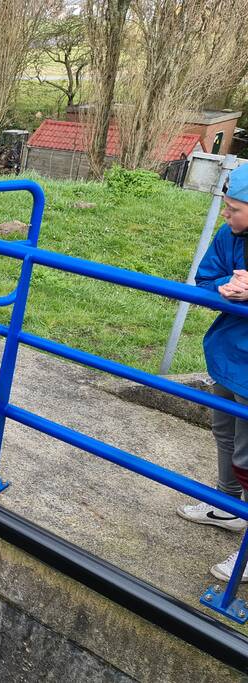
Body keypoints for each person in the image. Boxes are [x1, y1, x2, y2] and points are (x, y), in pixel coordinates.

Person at [176, 164, 248, 583]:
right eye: (225, 206)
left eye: (234, 209)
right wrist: (225, 287)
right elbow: (205, 280)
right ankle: (227, 505)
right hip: (228, 357)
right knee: (223, 430)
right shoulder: (228, 237)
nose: (225, 215)